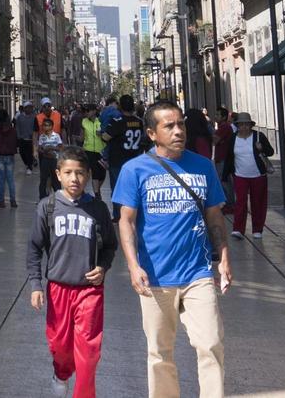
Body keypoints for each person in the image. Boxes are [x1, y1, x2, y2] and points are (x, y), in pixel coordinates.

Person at [113, 101, 232, 398]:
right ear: (152, 133)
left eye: (181, 124)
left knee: (210, 344)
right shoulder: (134, 169)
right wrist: (132, 265)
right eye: (169, 126)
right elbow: (126, 221)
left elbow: (215, 217)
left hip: (197, 271)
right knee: (159, 353)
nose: (179, 130)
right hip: (154, 276)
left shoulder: (203, 166)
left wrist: (224, 259)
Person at [28, 147, 117, 398]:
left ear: (88, 175)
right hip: (58, 289)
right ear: (58, 174)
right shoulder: (48, 207)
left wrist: (103, 267)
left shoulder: (98, 209)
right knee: (60, 347)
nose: (74, 178)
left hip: (90, 291)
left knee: (89, 352)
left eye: (79, 173)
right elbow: (34, 248)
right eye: (68, 172)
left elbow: (111, 245)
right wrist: (36, 285)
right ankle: (61, 373)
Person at [222, 112, 275, 240]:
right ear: (237, 126)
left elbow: (271, 152)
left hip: (258, 175)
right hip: (240, 175)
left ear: (250, 125)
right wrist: (225, 175)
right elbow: (229, 157)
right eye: (241, 125)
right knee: (240, 202)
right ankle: (238, 229)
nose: (244, 127)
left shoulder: (258, 136)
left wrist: (261, 148)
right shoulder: (233, 138)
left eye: (246, 124)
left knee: (258, 202)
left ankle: (257, 229)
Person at [100, 95, 147, 216]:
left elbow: (106, 137)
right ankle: (135, 212)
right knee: (134, 188)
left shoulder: (117, 121)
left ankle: (118, 215)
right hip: (135, 159)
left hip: (118, 160)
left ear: (120, 106)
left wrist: (101, 134)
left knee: (117, 188)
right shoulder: (139, 122)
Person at [0, 112, 20, 208]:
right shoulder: (13, 130)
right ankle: (13, 201)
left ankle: (1, 200)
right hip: (10, 155)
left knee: (1, 180)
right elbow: (17, 142)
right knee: (10, 179)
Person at [79, 107, 107, 200]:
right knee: (94, 171)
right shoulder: (84, 122)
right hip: (89, 150)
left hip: (101, 150)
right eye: (85, 111)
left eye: (88, 110)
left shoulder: (101, 121)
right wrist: (78, 140)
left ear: (94, 111)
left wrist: (102, 134)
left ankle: (97, 189)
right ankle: (97, 194)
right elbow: (82, 136)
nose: (86, 112)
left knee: (102, 174)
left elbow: (107, 135)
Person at [212, 107, 235, 215]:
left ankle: (229, 204)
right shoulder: (222, 127)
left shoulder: (224, 127)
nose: (215, 116)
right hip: (221, 157)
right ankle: (228, 204)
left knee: (224, 181)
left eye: (218, 115)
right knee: (224, 181)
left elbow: (215, 140)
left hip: (223, 158)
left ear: (224, 117)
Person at [37, 117, 64, 199]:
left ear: (52, 126)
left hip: (54, 160)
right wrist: (44, 151)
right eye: (44, 125)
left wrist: (51, 148)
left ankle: (59, 198)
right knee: (43, 179)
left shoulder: (56, 136)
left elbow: (60, 148)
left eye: (48, 125)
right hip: (45, 160)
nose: (46, 127)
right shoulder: (42, 137)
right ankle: (42, 198)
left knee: (56, 179)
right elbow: (39, 148)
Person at [15, 102, 38, 173]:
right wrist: (18, 136)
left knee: (29, 153)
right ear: (24, 109)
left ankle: (29, 167)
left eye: (31, 107)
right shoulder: (19, 117)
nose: (30, 109)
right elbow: (17, 127)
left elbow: (37, 128)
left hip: (31, 139)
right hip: (22, 138)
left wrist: (35, 135)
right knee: (22, 153)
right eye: (28, 107)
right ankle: (28, 163)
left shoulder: (34, 117)